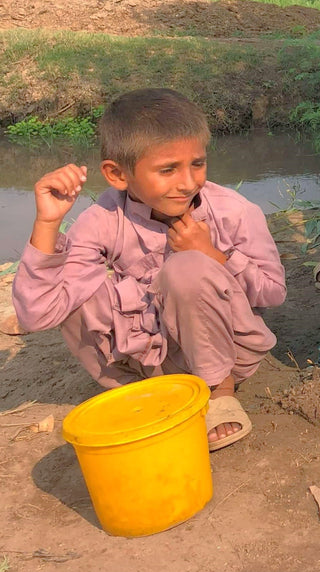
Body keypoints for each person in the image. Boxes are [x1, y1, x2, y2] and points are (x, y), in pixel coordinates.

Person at [12, 88, 286, 452]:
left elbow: (273, 292)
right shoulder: (104, 220)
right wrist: (48, 223)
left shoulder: (235, 211)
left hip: (229, 355)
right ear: (117, 174)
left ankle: (219, 394)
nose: (188, 182)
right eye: (168, 169)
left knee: (188, 268)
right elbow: (38, 313)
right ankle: (141, 393)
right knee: (76, 296)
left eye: (197, 164)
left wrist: (213, 254)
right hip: (150, 362)